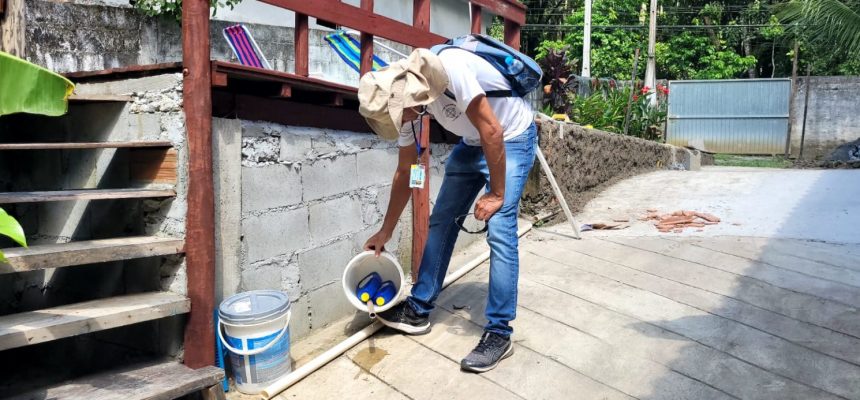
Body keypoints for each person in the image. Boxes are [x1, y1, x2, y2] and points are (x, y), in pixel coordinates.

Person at [357, 47, 536, 373]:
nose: (402, 123)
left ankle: (499, 332)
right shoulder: (409, 110)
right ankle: (419, 307)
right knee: (441, 220)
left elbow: (493, 130)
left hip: (510, 136)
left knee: (500, 229)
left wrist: (496, 194)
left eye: (398, 116)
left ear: (406, 98)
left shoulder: (451, 68)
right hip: (473, 143)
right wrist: (386, 231)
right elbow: (405, 171)